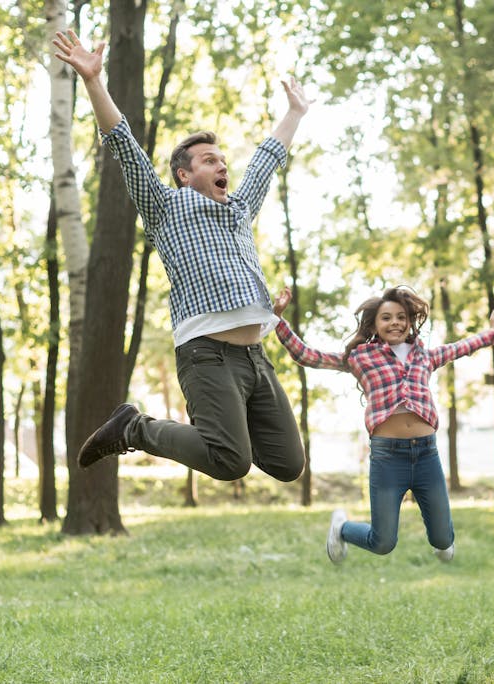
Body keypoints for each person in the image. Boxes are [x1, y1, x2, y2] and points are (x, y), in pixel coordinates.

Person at [52, 30, 308, 483]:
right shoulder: (166, 207)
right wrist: (93, 81)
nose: (222, 166)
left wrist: (294, 112)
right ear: (184, 174)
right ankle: (134, 427)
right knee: (231, 462)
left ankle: (226, 431)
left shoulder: (239, 208)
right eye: (209, 160)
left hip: (255, 357)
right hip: (206, 353)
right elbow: (125, 147)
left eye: (223, 160)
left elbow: (268, 158)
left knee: (288, 464)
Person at [272, 286, 494, 563]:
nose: (395, 323)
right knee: (382, 543)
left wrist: (492, 333)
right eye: (387, 318)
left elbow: (460, 348)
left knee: (443, 540)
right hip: (388, 457)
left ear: (410, 321)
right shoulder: (361, 357)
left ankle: (443, 539)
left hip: (427, 454)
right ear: (374, 325)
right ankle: (342, 528)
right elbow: (309, 356)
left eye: (401, 317)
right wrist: (279, 320)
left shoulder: (424, 355)